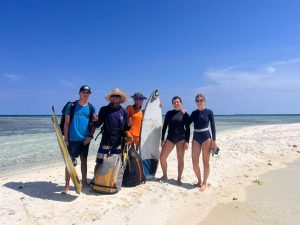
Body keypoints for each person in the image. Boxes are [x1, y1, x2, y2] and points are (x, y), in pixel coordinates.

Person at [63, 85, 96, 194]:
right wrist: (66, 138)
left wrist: (90, 137)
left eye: (87, 92)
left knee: (84, 161)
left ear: (89, 94)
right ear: (79, 93)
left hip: (85, 140)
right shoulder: (71, 106)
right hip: (72, 139)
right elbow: (66, 123)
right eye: (83, 92)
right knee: (69, 162)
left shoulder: (91, 107)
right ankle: (67, 186)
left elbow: (94, 124)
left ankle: (85, 182)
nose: (85, 94)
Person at [93, 88, 131, 174]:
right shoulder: (104, 109)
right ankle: (95, 180)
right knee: (99, 161)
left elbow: (126, 129)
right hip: (106, 139)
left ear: (120, 98)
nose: (115, 97)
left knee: (115, 162)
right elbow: (98, 124)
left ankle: (112, 182)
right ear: (111, 98)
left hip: (118, 141)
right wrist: (94, 121)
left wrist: (129, 125)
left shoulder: (124, 112)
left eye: (118, 96)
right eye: (113, 96)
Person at [190, 93, 218, 192]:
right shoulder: (193, 113)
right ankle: (199, 180)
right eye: (197, 100)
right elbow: (185, 123)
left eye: (201, 100)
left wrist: (214, 141)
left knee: (205, 161)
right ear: (195, 102)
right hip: (196, 137)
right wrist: (182, 112)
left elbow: (213, 127)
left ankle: (205, 182)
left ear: (204, 101)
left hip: (206, 137)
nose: (199, 102)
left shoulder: (209, 112)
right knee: (194, 162)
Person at [160, 96, 190, 185]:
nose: (176, 104)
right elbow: (164, 127)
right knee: (162, 158)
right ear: (172, 104)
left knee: (180, 159)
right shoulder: (169, 113)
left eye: (178, 102)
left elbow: (188, 129)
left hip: (181, 138)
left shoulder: (185, 114)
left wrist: (187, 141)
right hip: (170, 138)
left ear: (181, 103)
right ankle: (165, 175)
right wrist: (162, 139)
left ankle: (179, 178)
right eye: (174, 102)